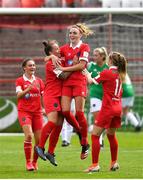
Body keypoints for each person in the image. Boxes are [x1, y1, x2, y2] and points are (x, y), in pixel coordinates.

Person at [35, 40, 81, 166]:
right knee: (52, 121)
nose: (59, 49)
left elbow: (69, 57)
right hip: (51, 94)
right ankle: (40, 146)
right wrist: (74, 67)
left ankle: (50, 152)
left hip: (60, 95)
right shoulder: (51, 62)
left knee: (59, 124)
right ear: (51, 51)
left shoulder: (57, 58)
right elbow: (63, 76)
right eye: (56, 48)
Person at [84, 51, 127, 173]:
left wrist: (86, 73)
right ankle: (114, 163)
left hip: (108, 108)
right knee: (111, 135)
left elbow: (91, 81)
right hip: (118, 108)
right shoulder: (119, 75)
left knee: (95, 135)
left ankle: (95, 165)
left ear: (111, 61)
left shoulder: (107, 73)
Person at [57, 23, 93, 160]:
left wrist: (65, 69)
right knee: (65, 111)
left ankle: (84, 142)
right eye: (70, 33)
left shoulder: (84, 47)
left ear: (80, 35)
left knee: (79, 113)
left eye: (74, 33)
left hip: (79, 83)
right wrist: (51, 58)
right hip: (66, 84)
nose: (71, 35)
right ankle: (81, 132)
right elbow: (55, 60)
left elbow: (82, 65)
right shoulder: (63, 49)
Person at [15, 58, 45, 171]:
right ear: (24, 68)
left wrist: (45, 108)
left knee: (39, 140)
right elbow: (18, 96)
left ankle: (34, 162)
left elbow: (43, 96)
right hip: (24, 112)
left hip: (37, 113)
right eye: (30, 65)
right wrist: (28, 89)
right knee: (29, 136)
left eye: (34, 65)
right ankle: (28, 163)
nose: (33, 67)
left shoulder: (39, 81)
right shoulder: (19, 81)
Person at [87, 47, 109, 148]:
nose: (94, 57)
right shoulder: (91, 66)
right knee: (98, 119)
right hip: (95, 95)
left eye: (96, 55)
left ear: (102, 56)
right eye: (94, 55)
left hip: (106, 96)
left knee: (106, 121)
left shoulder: (107, 67)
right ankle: (100, 142)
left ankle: (100, 136)